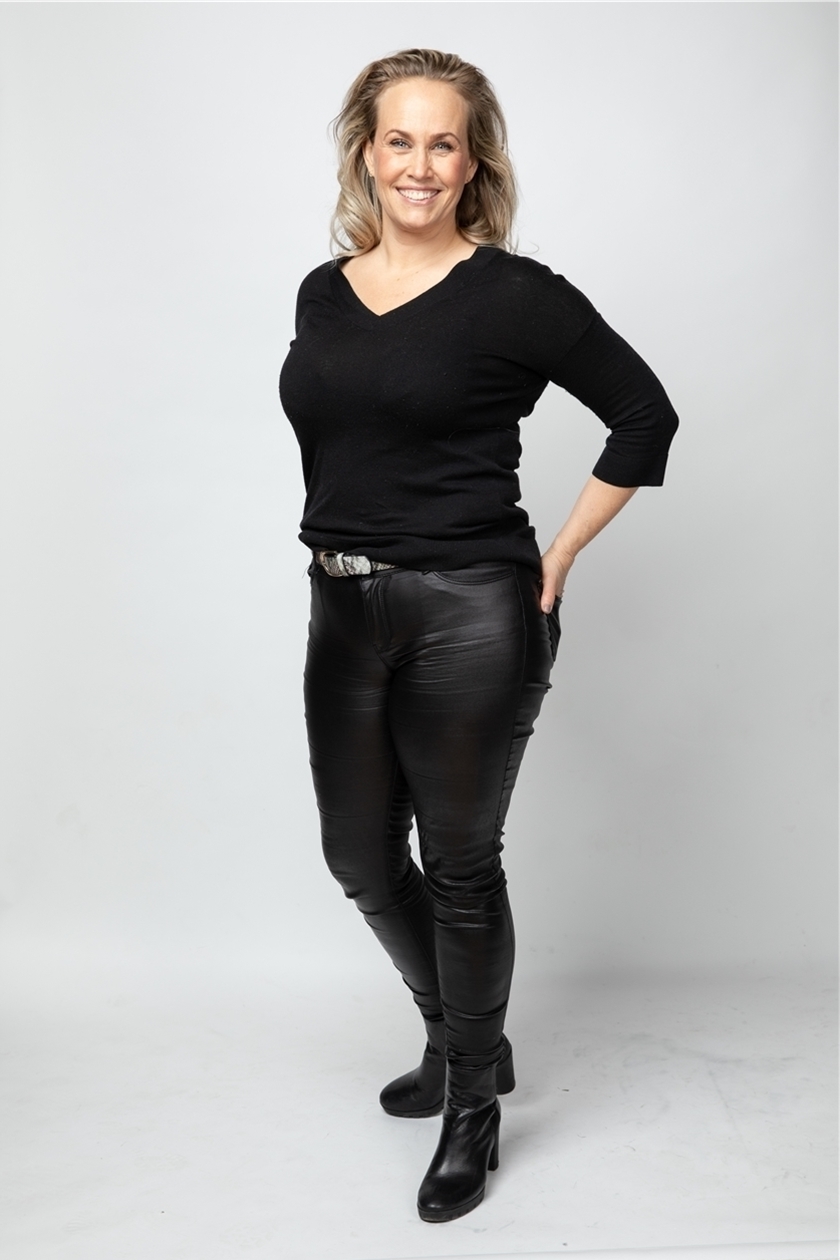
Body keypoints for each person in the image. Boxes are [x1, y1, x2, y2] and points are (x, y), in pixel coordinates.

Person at [279, 48, 678, 1223]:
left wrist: (558, 555)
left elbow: (645, 416)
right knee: (360, 857)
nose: (419, 164)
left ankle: (470, 1104)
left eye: (442, 143)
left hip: (471, 612)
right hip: (342, 606)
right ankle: (466, 1040)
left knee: (459, 866)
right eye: (398, 140)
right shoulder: (321, 292)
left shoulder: (514, 296)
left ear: (471, 162)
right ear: (366, 153)